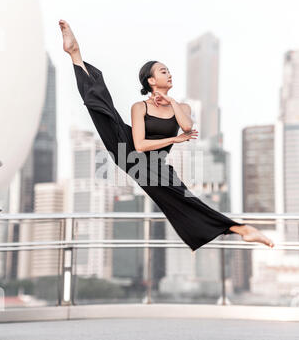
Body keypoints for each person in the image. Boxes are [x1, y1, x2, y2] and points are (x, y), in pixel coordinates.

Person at [59, 19, 275, 251]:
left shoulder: (181, 108)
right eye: (164, 71)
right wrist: (173, 140)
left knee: (185, 198)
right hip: (129, 152)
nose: (169, 74)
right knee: (105, 111)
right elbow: (139, 145)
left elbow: (187, 126)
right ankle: (75, 54)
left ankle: (241, 230)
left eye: (169, 71)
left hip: (154, 165)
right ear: (151, 80)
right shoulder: (139, 107)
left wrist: (171, 101)